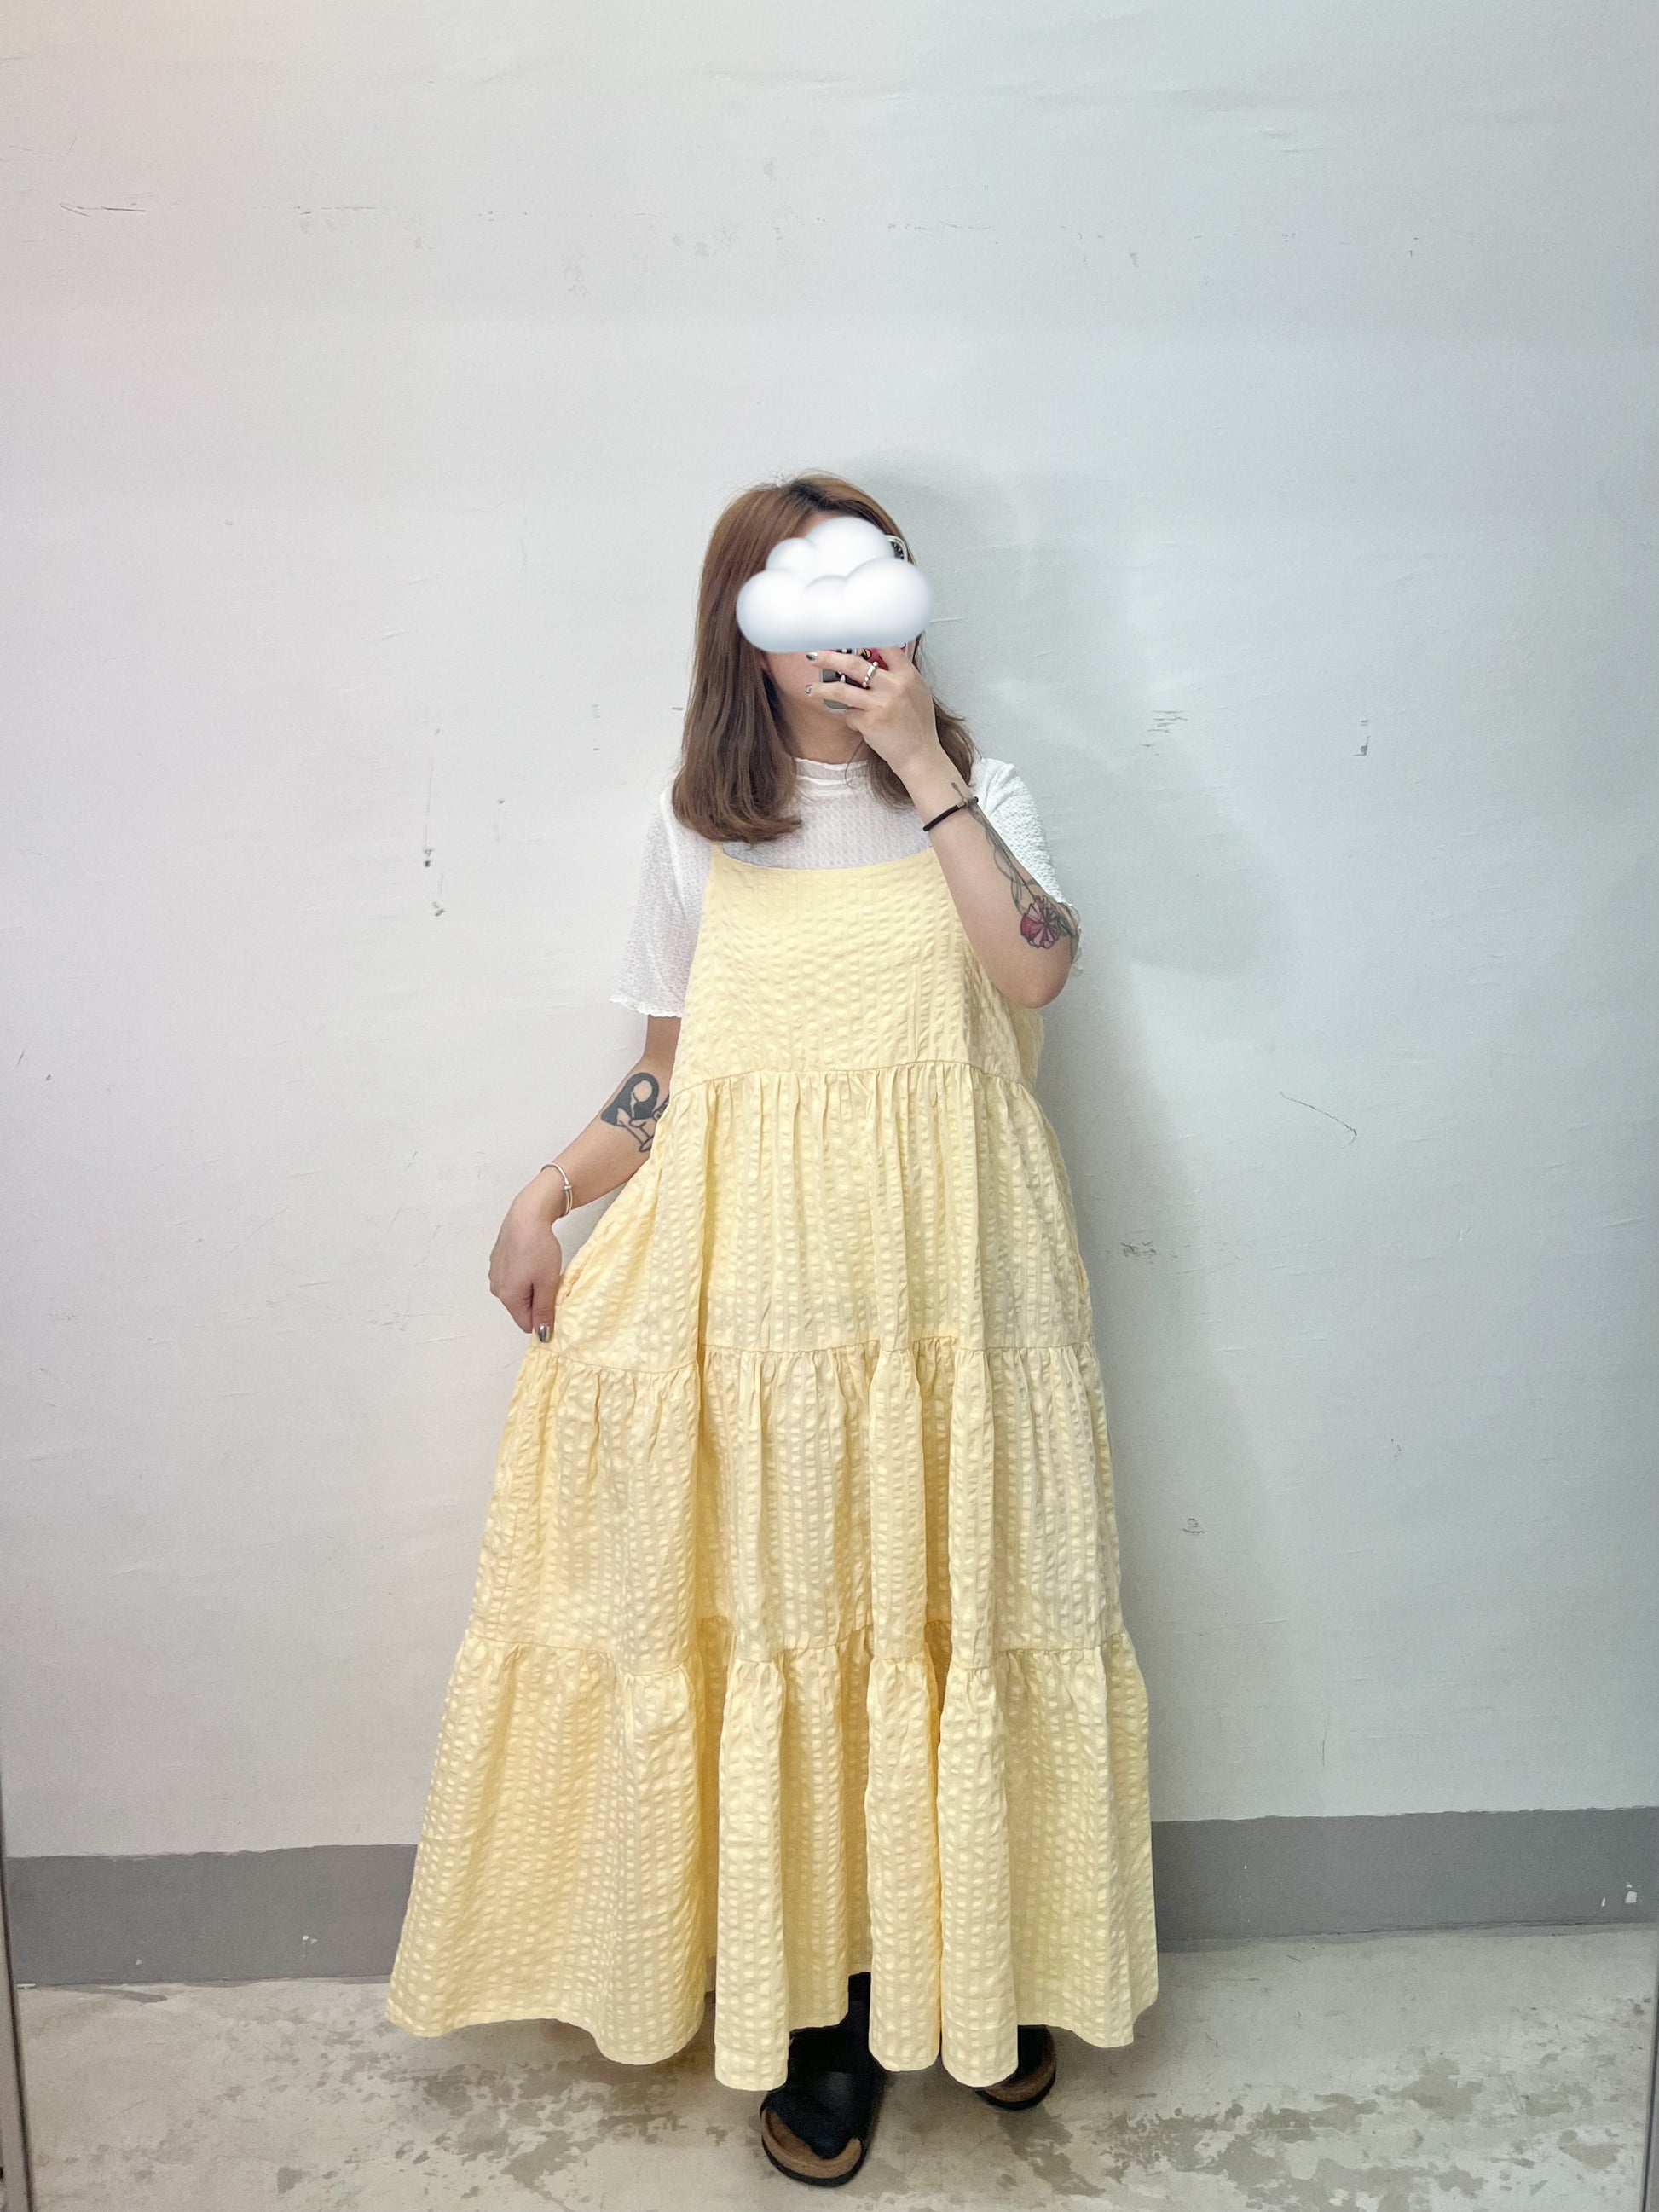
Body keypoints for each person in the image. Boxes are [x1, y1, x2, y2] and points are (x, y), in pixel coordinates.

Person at [384, 472, 1159, 2186]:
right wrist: (544, 1194)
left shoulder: (980, 794)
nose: (843, 631)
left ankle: (982, 1960)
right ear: (743, 628)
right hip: (771, 1309)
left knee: (960, 1619)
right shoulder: (698, 832)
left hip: (956, 1295)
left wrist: (926, 770)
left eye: (869, 585)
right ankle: (826, 2006)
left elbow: (1035, 972)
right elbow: (669, 1074)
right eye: (802, 598)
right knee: (805, 1629)